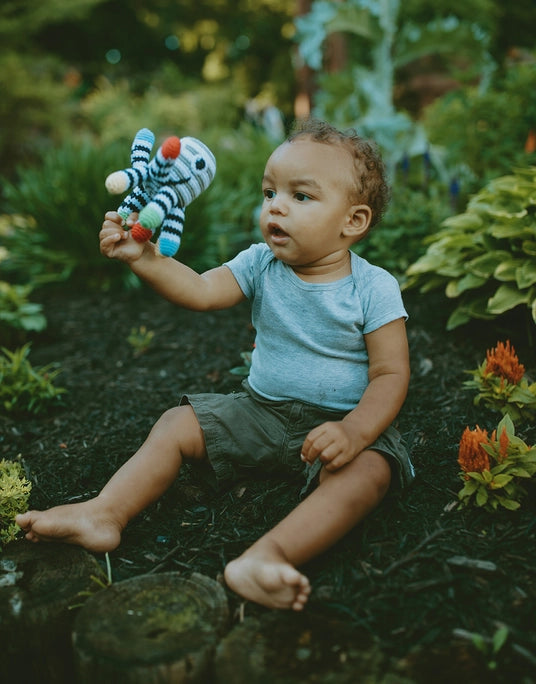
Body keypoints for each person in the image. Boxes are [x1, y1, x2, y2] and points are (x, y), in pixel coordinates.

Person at [16, 119, 413, 611]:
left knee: (370, 473)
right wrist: (143, 258)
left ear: (353, 221)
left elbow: (391, 374)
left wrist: (355, 431)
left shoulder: (373, 288)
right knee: (179, 424)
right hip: (262, 412)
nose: (276, 205)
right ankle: (105, 513)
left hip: (341, 426)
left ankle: (268, 557)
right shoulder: (259, 263)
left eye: (301, 196)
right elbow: (202, 291)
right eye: (270, 192)